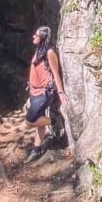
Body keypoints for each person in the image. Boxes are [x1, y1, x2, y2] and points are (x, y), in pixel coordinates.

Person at [25, 25, 67, 163]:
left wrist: (60, 92)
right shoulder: (39, 50)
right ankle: (36, 150)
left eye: (36, 35)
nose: (33, 37)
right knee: (39, 122)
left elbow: (55, 73)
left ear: (43, 38)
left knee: (30, 121)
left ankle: (54, 122)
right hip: (34, 91)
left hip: (44, 92)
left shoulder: (49, 52)